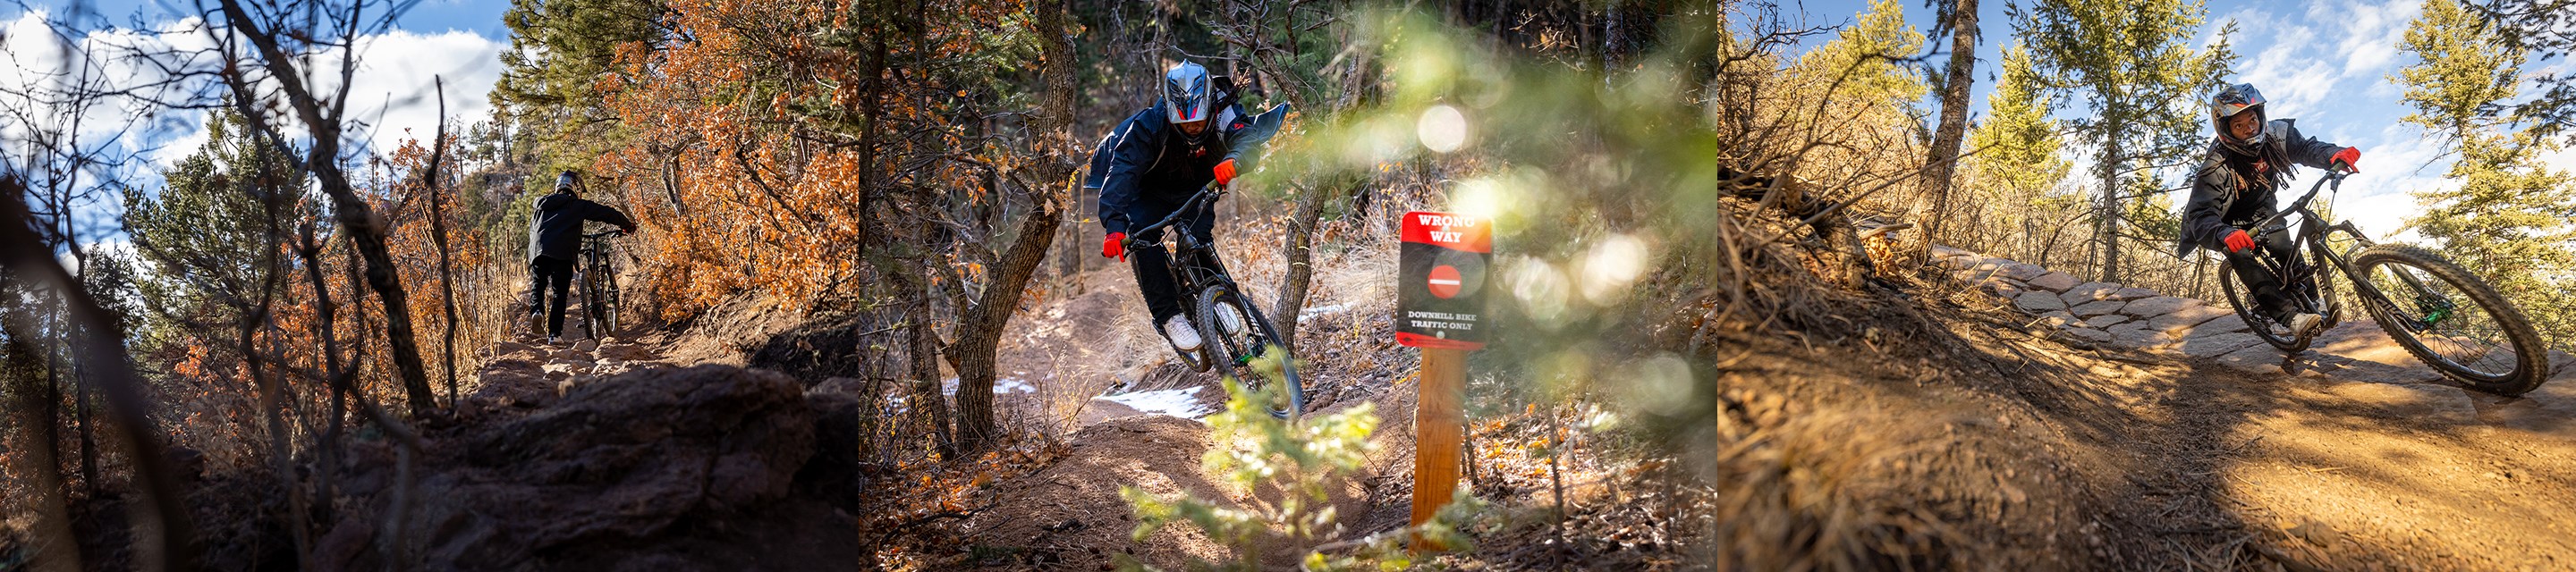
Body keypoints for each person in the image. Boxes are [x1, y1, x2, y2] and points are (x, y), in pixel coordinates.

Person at [1095, 61, 1261, 353]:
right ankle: (1168, 317)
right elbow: (1123, 171)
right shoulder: (1148, 125)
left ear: (1210, 104)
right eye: (1184, 124)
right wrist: (1113, 225)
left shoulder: (1225, 109)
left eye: (1197, 122)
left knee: (1198, 238)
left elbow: (1247, 138)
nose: (1192, 129)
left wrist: (1235, 158)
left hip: (1197, 183)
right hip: (1149, 191)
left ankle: (1215, 297)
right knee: (1143, 239)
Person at [2181, 83, 2360, 339]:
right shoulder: (2216, 164)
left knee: (2284, 246)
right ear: (2226, 129)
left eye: (2252, 119)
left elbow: (2306, 148)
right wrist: (2224, 233)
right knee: (2241, 256)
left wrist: (2333, 155)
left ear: (2260, 116)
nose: (2249, 128)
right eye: (2239, 126)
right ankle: (2290, 318)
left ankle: (2313, 300)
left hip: (2263, 208)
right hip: (2227, 222)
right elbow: (2200, 214)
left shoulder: (2275, 134)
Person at [528, 170, 637, 343]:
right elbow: (605, 213)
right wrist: (626, 224)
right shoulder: (576, 205)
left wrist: (533, 254)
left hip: (537, 250)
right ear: (576, 187)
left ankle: (537, 311)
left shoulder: (540, 205)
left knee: (538, 285)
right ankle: (554, 334)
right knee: (559, 293)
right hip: (561, 252)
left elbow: (533, 230)